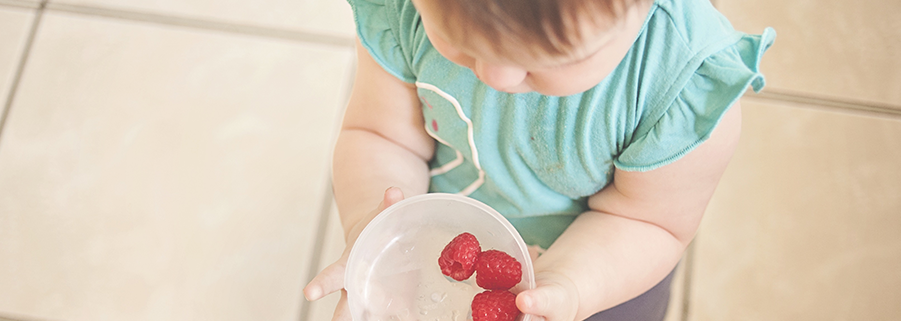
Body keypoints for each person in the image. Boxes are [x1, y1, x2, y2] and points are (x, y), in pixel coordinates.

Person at [304, 0, 775, 319]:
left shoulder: (679, 83)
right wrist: (374, 227)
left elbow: (651, 222)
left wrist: (570, 286)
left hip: (604, 269)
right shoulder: (405, 11)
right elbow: (382, 135)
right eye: (463, 44)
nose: (497, 76)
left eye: (548, 60)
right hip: (446, 236)